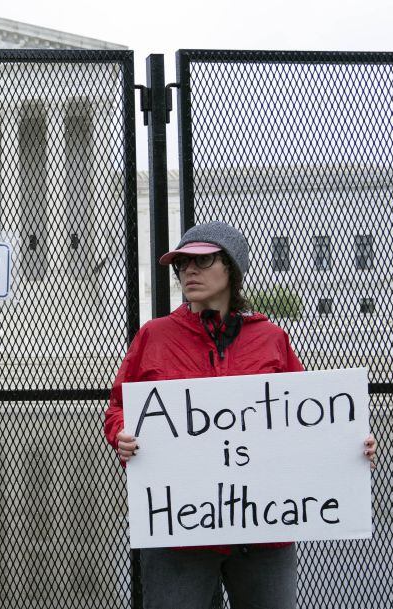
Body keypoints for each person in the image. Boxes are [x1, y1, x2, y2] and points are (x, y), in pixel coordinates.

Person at [103, 220, 377, 609]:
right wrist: (122, 435)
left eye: (202, 261)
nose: (189, 271)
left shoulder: (271, 339)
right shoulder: (155, 336)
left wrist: (349, 446)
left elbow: (310, 419)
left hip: (265, 530)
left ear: (232, 267)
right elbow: (118, 407)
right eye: (181, 264)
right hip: (180, 531)